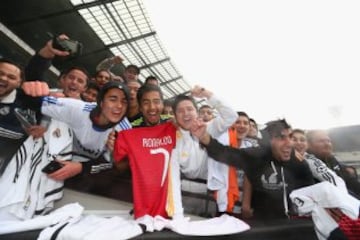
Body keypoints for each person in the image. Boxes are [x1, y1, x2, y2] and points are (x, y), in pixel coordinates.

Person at [190, 118, 315, 219]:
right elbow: (224, 152)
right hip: (261, 224)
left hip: (292, 224)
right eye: (282, 138)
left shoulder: (299, 162)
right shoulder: (256, 156)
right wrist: (203, 136)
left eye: (290, 137)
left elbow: (312, 191)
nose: (289, 143)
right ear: (269, 141)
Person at [306, 129, 360, 198]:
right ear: (308, 144)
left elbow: (349, 180)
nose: (327, 144)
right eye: (321, 141)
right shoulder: (307, 164)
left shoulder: (331, 159)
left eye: (328, 141)